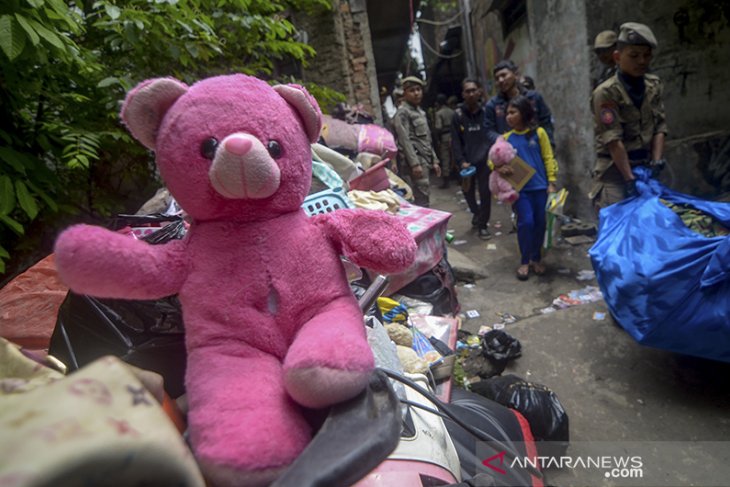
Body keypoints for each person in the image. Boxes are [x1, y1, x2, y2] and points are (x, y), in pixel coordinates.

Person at [589, 22, 667, 212]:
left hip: (646, 167)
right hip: (615, 172)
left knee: (652, 226)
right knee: (618, 228)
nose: (642, 61)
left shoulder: (653, 85)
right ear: (618, 57)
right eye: (634, 56)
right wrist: (629, 180)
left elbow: (660, 125)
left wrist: (656, 162)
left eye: (646, 55)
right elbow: (613, 140)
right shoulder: (606, 93)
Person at [494, 95, 558, 280]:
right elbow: (493, 161)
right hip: (520, 190)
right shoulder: (505, 138)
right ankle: (524, 260)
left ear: (524, 113)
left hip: (541, 188)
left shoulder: (539, 133)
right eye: (507, 113)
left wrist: (551, 182)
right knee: (526, 223)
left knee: (540, 223)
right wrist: (499, 167)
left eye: (513, 112)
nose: (508, 116)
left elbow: (548, 157)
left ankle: (536, 258)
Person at [451, 78, 493, 239]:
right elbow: (455, 141)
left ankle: (483, 225)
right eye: (467, 91)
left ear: (479, 91)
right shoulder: (458, 115)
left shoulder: (486, 112)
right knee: (468, 193)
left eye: (473, 90)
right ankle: (476, 213)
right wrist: (461, 161)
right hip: (466, 163)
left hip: (485, 161)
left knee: (485, 194)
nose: (471, 93)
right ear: (463, 94)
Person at [393, 76, 441, 207]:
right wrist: (414, 164)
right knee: (420, 199)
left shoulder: (420, 112)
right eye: (412, 90)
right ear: (405, 93)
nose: (416, 93)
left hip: (425, 160)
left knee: (425, 195)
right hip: (415, 161)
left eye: (418, 89)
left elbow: (426, 139)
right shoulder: (403, 113)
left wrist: (434, 160)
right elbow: (404, 140)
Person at [485, 60, 555, 148]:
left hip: (536, 148)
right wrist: (504, 140)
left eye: (504, 75)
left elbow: (546, 122)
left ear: (516, 75)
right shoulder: (492, 105)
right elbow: (489, 131)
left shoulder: (533, 97)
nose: (500, 80)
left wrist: (549, 145)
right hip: (509, 154)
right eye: (497, 78)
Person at [434, 93, 456, 188]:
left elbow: (438, 127)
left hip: (444, 137)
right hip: (454, 136)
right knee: (455, 157)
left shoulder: (439, 113)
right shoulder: (452, 111)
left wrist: (437, 138)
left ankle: (446, 181)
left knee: (445, 158)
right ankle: (459, 178)